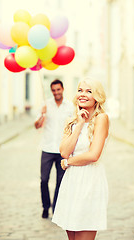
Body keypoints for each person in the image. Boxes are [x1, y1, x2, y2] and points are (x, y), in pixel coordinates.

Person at [52, 78, 109, 240]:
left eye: (89, 91)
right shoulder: (72, 121)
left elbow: (93, 155)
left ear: (97, 96)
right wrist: (79, 123)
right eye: (80, 90)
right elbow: (64, 151)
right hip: (71, 181)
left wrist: (69, 162)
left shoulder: (101, 119)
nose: (83, 94)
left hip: (90, 181)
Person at [35, 79, 73, 219]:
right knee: (44, 179)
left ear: (62, 89)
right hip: (47, 148)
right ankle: (45, 207)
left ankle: (56, 208)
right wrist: (42, 115)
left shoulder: (70, 106)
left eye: (58, 89)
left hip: (63, 150)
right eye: (54, 90)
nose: (56, 92)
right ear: (51, 91)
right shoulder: (46, 105)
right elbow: (37, 125)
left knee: (60, 182)